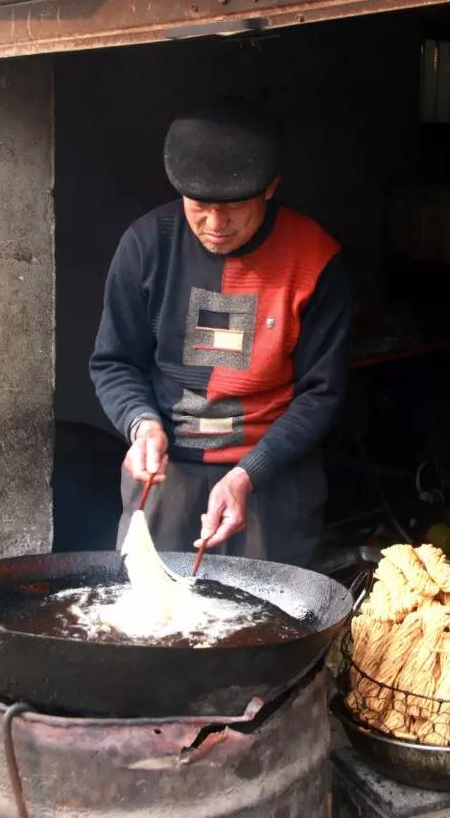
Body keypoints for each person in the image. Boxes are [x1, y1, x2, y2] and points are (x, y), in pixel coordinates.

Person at [90, 97, 351, 567]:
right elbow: (115, 362)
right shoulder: (146, 245)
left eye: (231, 208)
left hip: (273, 479)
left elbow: (321, 394)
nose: (214, 225)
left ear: (270, 188)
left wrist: (247, 474)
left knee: (270, 625)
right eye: (199, 206)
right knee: (152, 624)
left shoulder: (316, 259)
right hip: (168, 479)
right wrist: (141, 424)